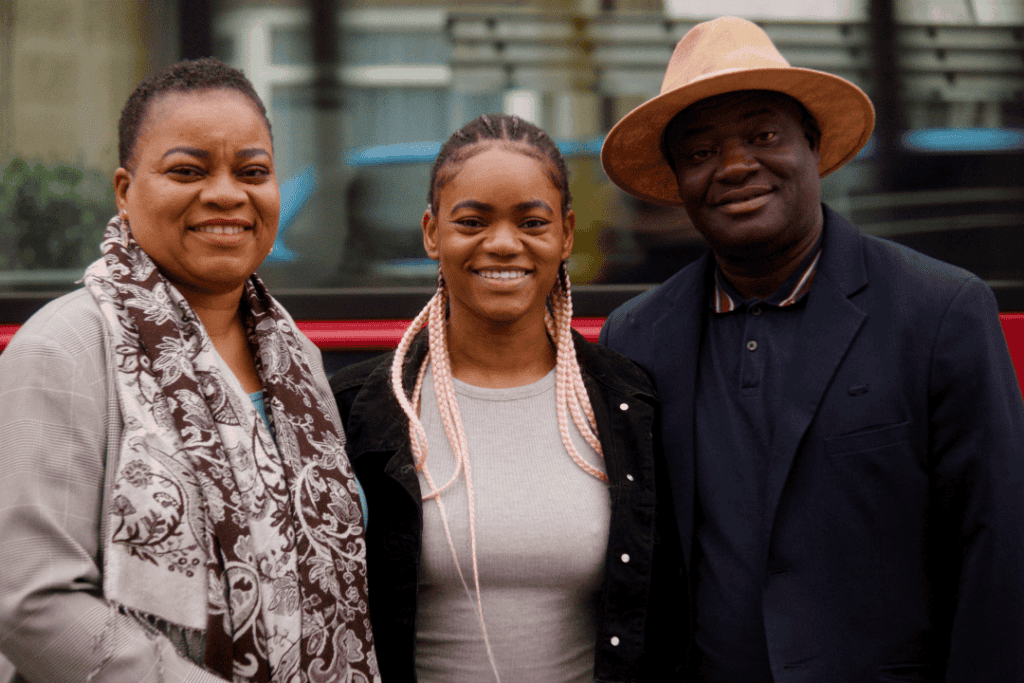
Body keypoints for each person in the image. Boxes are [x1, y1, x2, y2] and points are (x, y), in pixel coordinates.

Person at [599, 16, 1024, 682]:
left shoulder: (941, 311)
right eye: (701, 151)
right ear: (679, 179)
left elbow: (1000, 558)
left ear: (813, 145)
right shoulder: (638, 338)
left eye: (763, 135)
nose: (736, 166)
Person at [0, 58, 379, 683]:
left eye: (252, 172)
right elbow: (32, 603)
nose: (227, 193)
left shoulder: (297, 361)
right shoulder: (63, 351)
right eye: (188, 171)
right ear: (125, 190)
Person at [330, 114, 685, 683]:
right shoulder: (361, 410)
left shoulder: (629, 406)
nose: (501, 244)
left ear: (566, 234)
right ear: (431, 232)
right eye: (471, 221)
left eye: (532, 221)